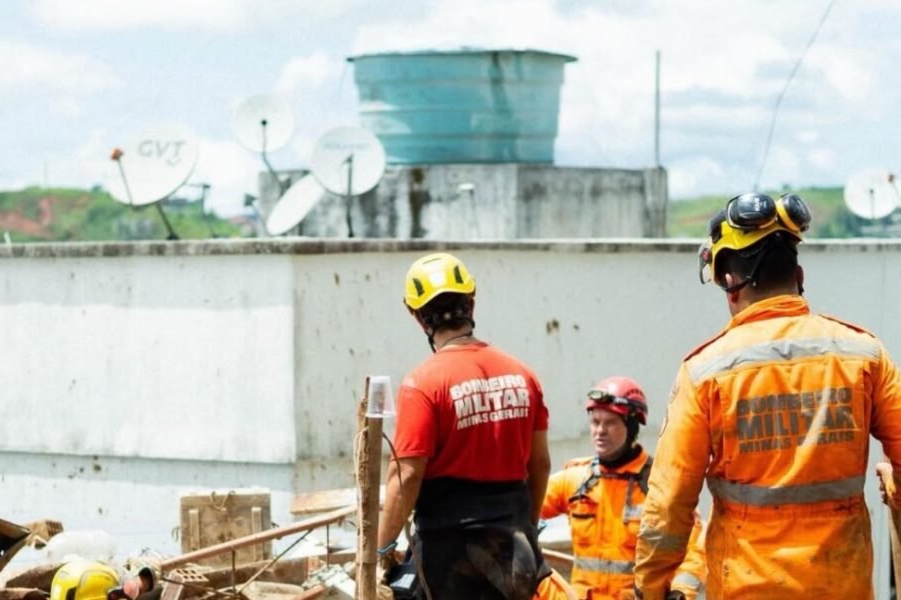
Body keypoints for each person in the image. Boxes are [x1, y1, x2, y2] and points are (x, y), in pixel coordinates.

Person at [634, 192, 901, 599]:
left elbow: (669, 501)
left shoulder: (706, 371)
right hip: (843, 586)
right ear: (799, 275)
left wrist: (650, 588)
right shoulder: (863, 353)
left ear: (729, 279)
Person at [377, 251, 554, 600]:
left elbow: (406, 476)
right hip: (514, 557)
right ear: (471, 304)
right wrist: (526, 528)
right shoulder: (523, 374)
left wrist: (380, 551)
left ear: (417, 316)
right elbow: (541, 464)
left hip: (451, 565)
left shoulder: (422, 383)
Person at [542, 376, 706, 600]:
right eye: (595, 422)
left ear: (631, 426)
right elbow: (522, 506)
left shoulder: (658, 486)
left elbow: (695, 545)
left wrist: (681, 591)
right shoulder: (576, 481)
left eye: (610, 423)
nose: (600, 431)